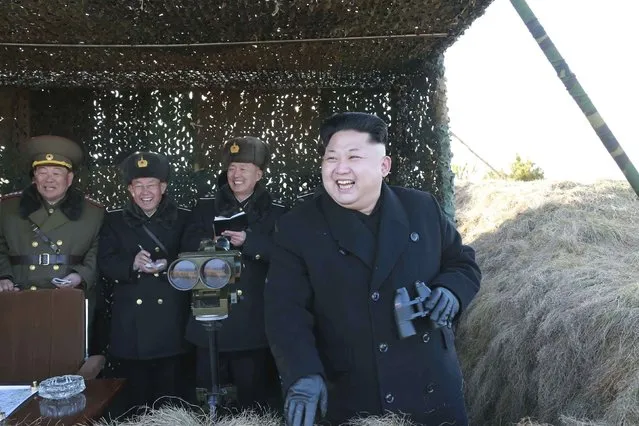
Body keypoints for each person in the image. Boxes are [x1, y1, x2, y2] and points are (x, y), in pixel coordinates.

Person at [264, 112, 482, 426]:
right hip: (351, 393)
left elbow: (462, 261)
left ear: (384, 166)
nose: (340, 169)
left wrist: (451, 290)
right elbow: (285, 311)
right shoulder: (297, 227)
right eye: (331, 158)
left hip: (431, 386)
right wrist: (304, 373)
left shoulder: (422, 208)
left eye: (354, 156)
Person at [182, 136, 287, 411]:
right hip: (210, 319)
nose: (236, 174)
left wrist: (248, 242)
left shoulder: (277, 213)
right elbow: (184, 249)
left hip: (254, 323)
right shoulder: (205, 207)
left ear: (259, 174)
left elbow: (287, 258)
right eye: (231, 168)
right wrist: (210, 245)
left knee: (252, 400)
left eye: (243, 168)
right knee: (209, 400)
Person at [0, 135, 106, 378]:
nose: (49, 180)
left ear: (69, 179)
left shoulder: (93, 212)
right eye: (42, 172)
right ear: (33, 176)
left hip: (67, 303)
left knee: (64, 370)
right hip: (19, 299)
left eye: (56, 173)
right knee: (19, 367)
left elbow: (97, 251)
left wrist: (79, 277)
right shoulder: (7, 208)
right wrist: (3, 276)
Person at [96, 151, 192, 415]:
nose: (145, 192)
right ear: (129, 189)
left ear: (163, 187)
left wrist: (168, 265)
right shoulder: (114, 220)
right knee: (135, 403)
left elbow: (194, 258)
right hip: (131, 325)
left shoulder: (184, 218)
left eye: (151, 185)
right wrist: (132, 263)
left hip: (172, 321)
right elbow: (104, 262)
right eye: (138, 186)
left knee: (171, 399)